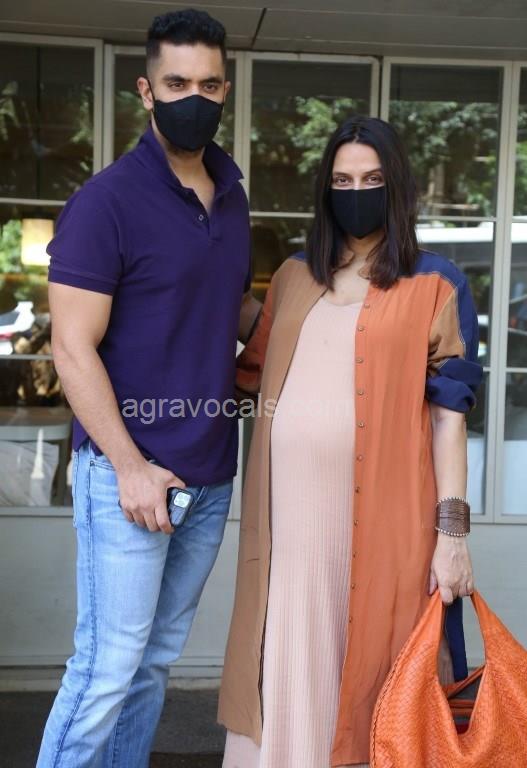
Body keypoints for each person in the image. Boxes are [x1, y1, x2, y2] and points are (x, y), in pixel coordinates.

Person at [218, 115, 482, 768]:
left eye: (370, 179)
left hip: (385, 525)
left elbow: (448, 418)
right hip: (287, 530)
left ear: (396, 187)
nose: (355, 191)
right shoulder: (292, 277)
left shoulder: (437, 283)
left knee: (378, 678)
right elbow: (249, 372)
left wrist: (452, 536)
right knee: (282, 660)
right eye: (341, 180)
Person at [37, 9, 260, 767]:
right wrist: (130, 467)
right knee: (106, 668)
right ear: (146, 90)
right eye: (176, 83)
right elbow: (71, 348)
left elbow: (231, 306)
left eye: (208, 85)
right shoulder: (106, 201)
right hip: (127, 473)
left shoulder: (231, 195)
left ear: (225, 88)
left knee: (152, 665)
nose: (193, 98)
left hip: (209, 473)